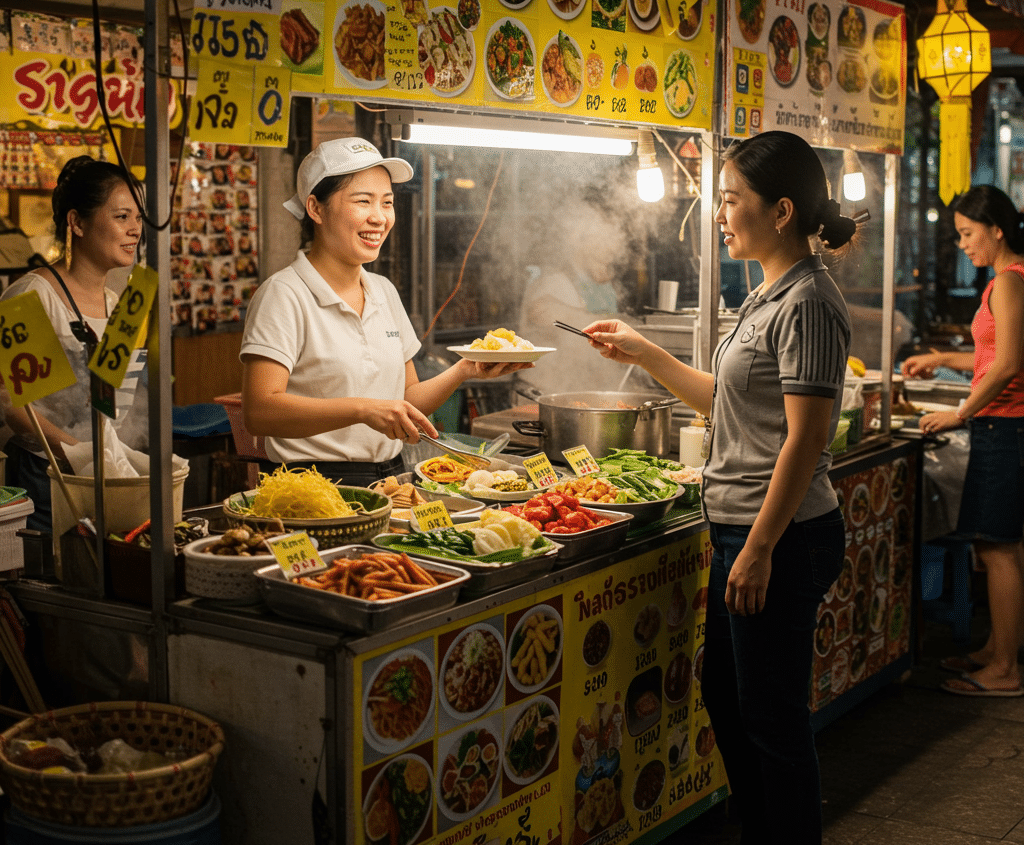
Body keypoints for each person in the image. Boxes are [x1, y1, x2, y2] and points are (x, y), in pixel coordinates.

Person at [583, 131, 856, 844]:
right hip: (745, 529)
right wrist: (645, 354)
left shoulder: (809, 302)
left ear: (782, 210)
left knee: (770, 720)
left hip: (783, 536)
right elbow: (724, 402)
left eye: (732, 200)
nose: (721, 214)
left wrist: (761, 548)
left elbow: (807, 438)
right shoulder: (768, 293)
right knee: (731, 705)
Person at [240, 137, 529, 486]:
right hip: (310, 484)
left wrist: (465, 369)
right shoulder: (283, 294)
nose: (379, 218)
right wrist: (363, 409)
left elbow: (406, 400)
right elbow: (260, 412)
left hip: (392, 478)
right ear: (315, 208)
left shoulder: (383, 291)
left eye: (387, 202)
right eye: (363, 201)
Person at [903, 184, 1024, 698]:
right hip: (1004, 424)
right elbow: (992, 356)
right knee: (999, 547)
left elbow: (1009, 365)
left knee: (997, 549)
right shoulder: (1010, 280)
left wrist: (960, 412)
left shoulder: (1009, 283)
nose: (963, 245)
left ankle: (1004, 670)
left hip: (1004, 426)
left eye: (968, 234)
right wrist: (941, 359)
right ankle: (997, 649)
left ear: (997, 229)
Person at [0, 156, 145, 533]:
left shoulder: (117, 304)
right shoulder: (30, 298)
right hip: (44, 480)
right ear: (77, 222)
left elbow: (110, 401)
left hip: (103, 475)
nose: (135, 231)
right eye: (121, 217)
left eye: (138, 218)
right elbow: (16, 409)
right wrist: (81, 455)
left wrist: (116, 457)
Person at [517, 207, 626, 394]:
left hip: (586, 388)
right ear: (579, 241)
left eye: (614, 242)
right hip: (545, 393)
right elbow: (541, 316)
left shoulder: (605, 287)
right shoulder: (554, 282)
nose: (611, 252)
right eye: (602, 241)